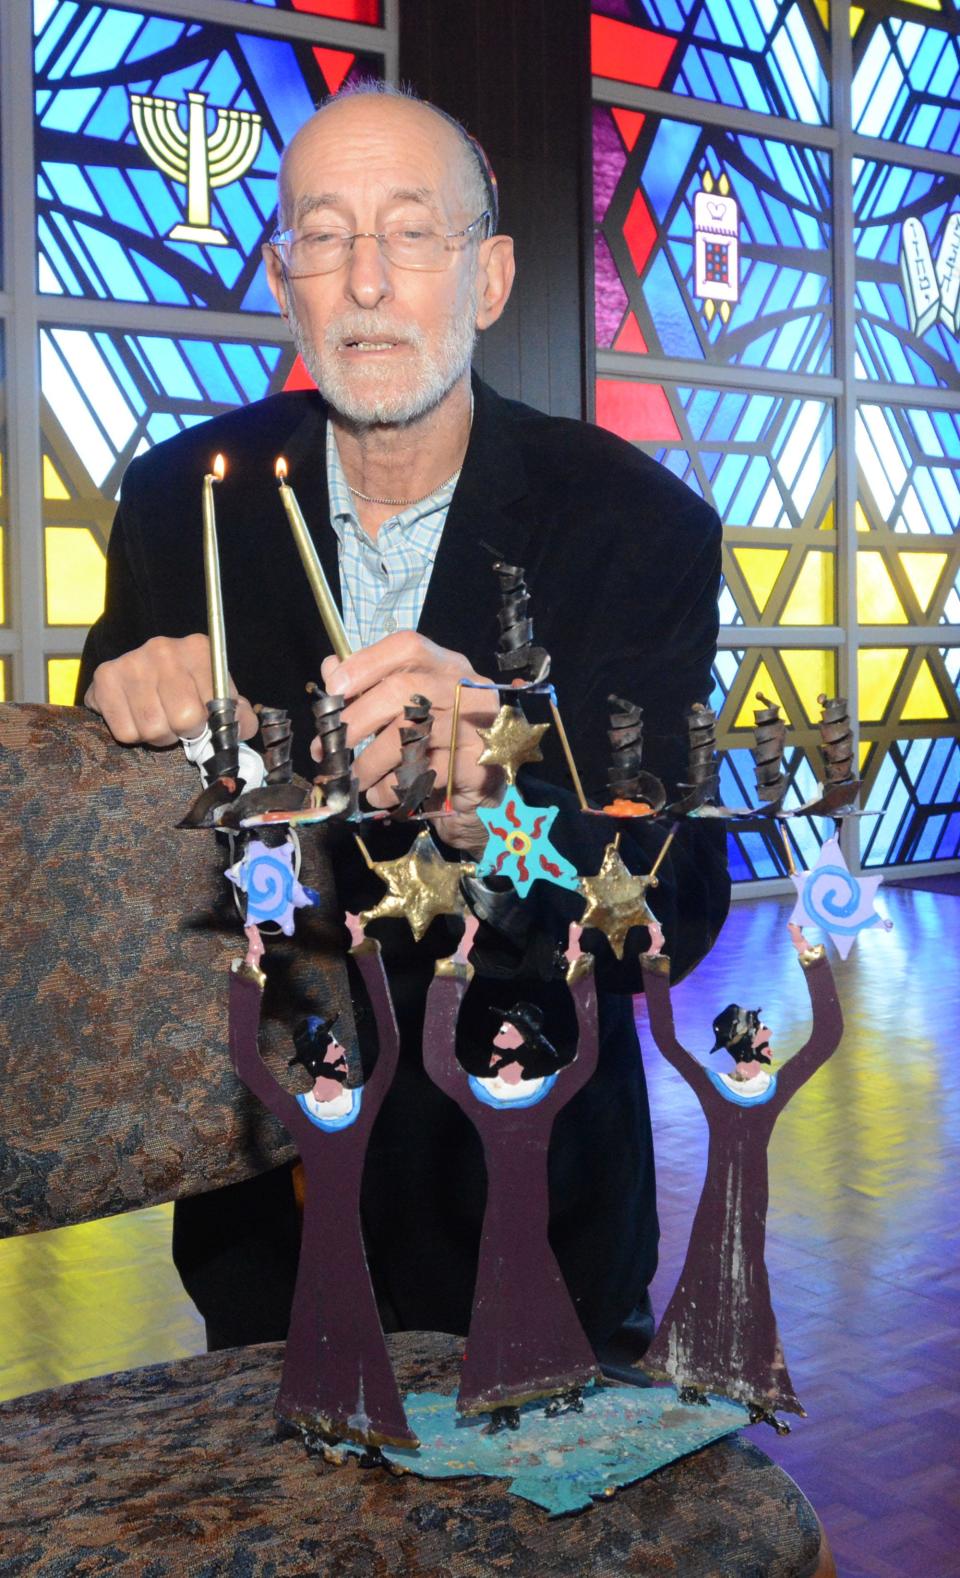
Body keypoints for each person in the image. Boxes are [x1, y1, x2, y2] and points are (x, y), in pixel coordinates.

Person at [78, 83, 730, 1360]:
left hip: (531, 1202)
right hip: (272, 1223)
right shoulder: (179, 506)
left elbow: (678, 901)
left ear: (488, 279)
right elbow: (141, 803)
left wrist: (504, 804)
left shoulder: (632, 528)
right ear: (285, 283)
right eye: (324, 234)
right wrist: (119, 687)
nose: (366, 280)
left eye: (411, 234)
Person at [639, 922, 843, 1427]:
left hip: (752, 1202)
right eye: (762, 1032)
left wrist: (812, 959)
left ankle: (755, 1384)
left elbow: (828, 1036)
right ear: (745, 1043)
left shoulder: (772, 1090)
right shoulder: (714, 1089)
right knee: (705, 1275)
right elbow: (665, 1039)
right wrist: (655, 963)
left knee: (750, 1282)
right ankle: (693, 1373)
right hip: (715, 1201)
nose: (770, 1036)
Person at [422, 918, 600, 1425]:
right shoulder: (482, 1094)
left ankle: (559, 1381)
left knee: (535, 1291)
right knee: (497, 1297)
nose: (496, 1032)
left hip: (530, 1212)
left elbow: (585, 1058)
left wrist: (579, 975)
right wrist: (453, 972)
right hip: (496, 1213)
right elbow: (438, 1059)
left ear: (520, 1042)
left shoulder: (543, 1095)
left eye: (504, 1028)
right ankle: (502, 1391)